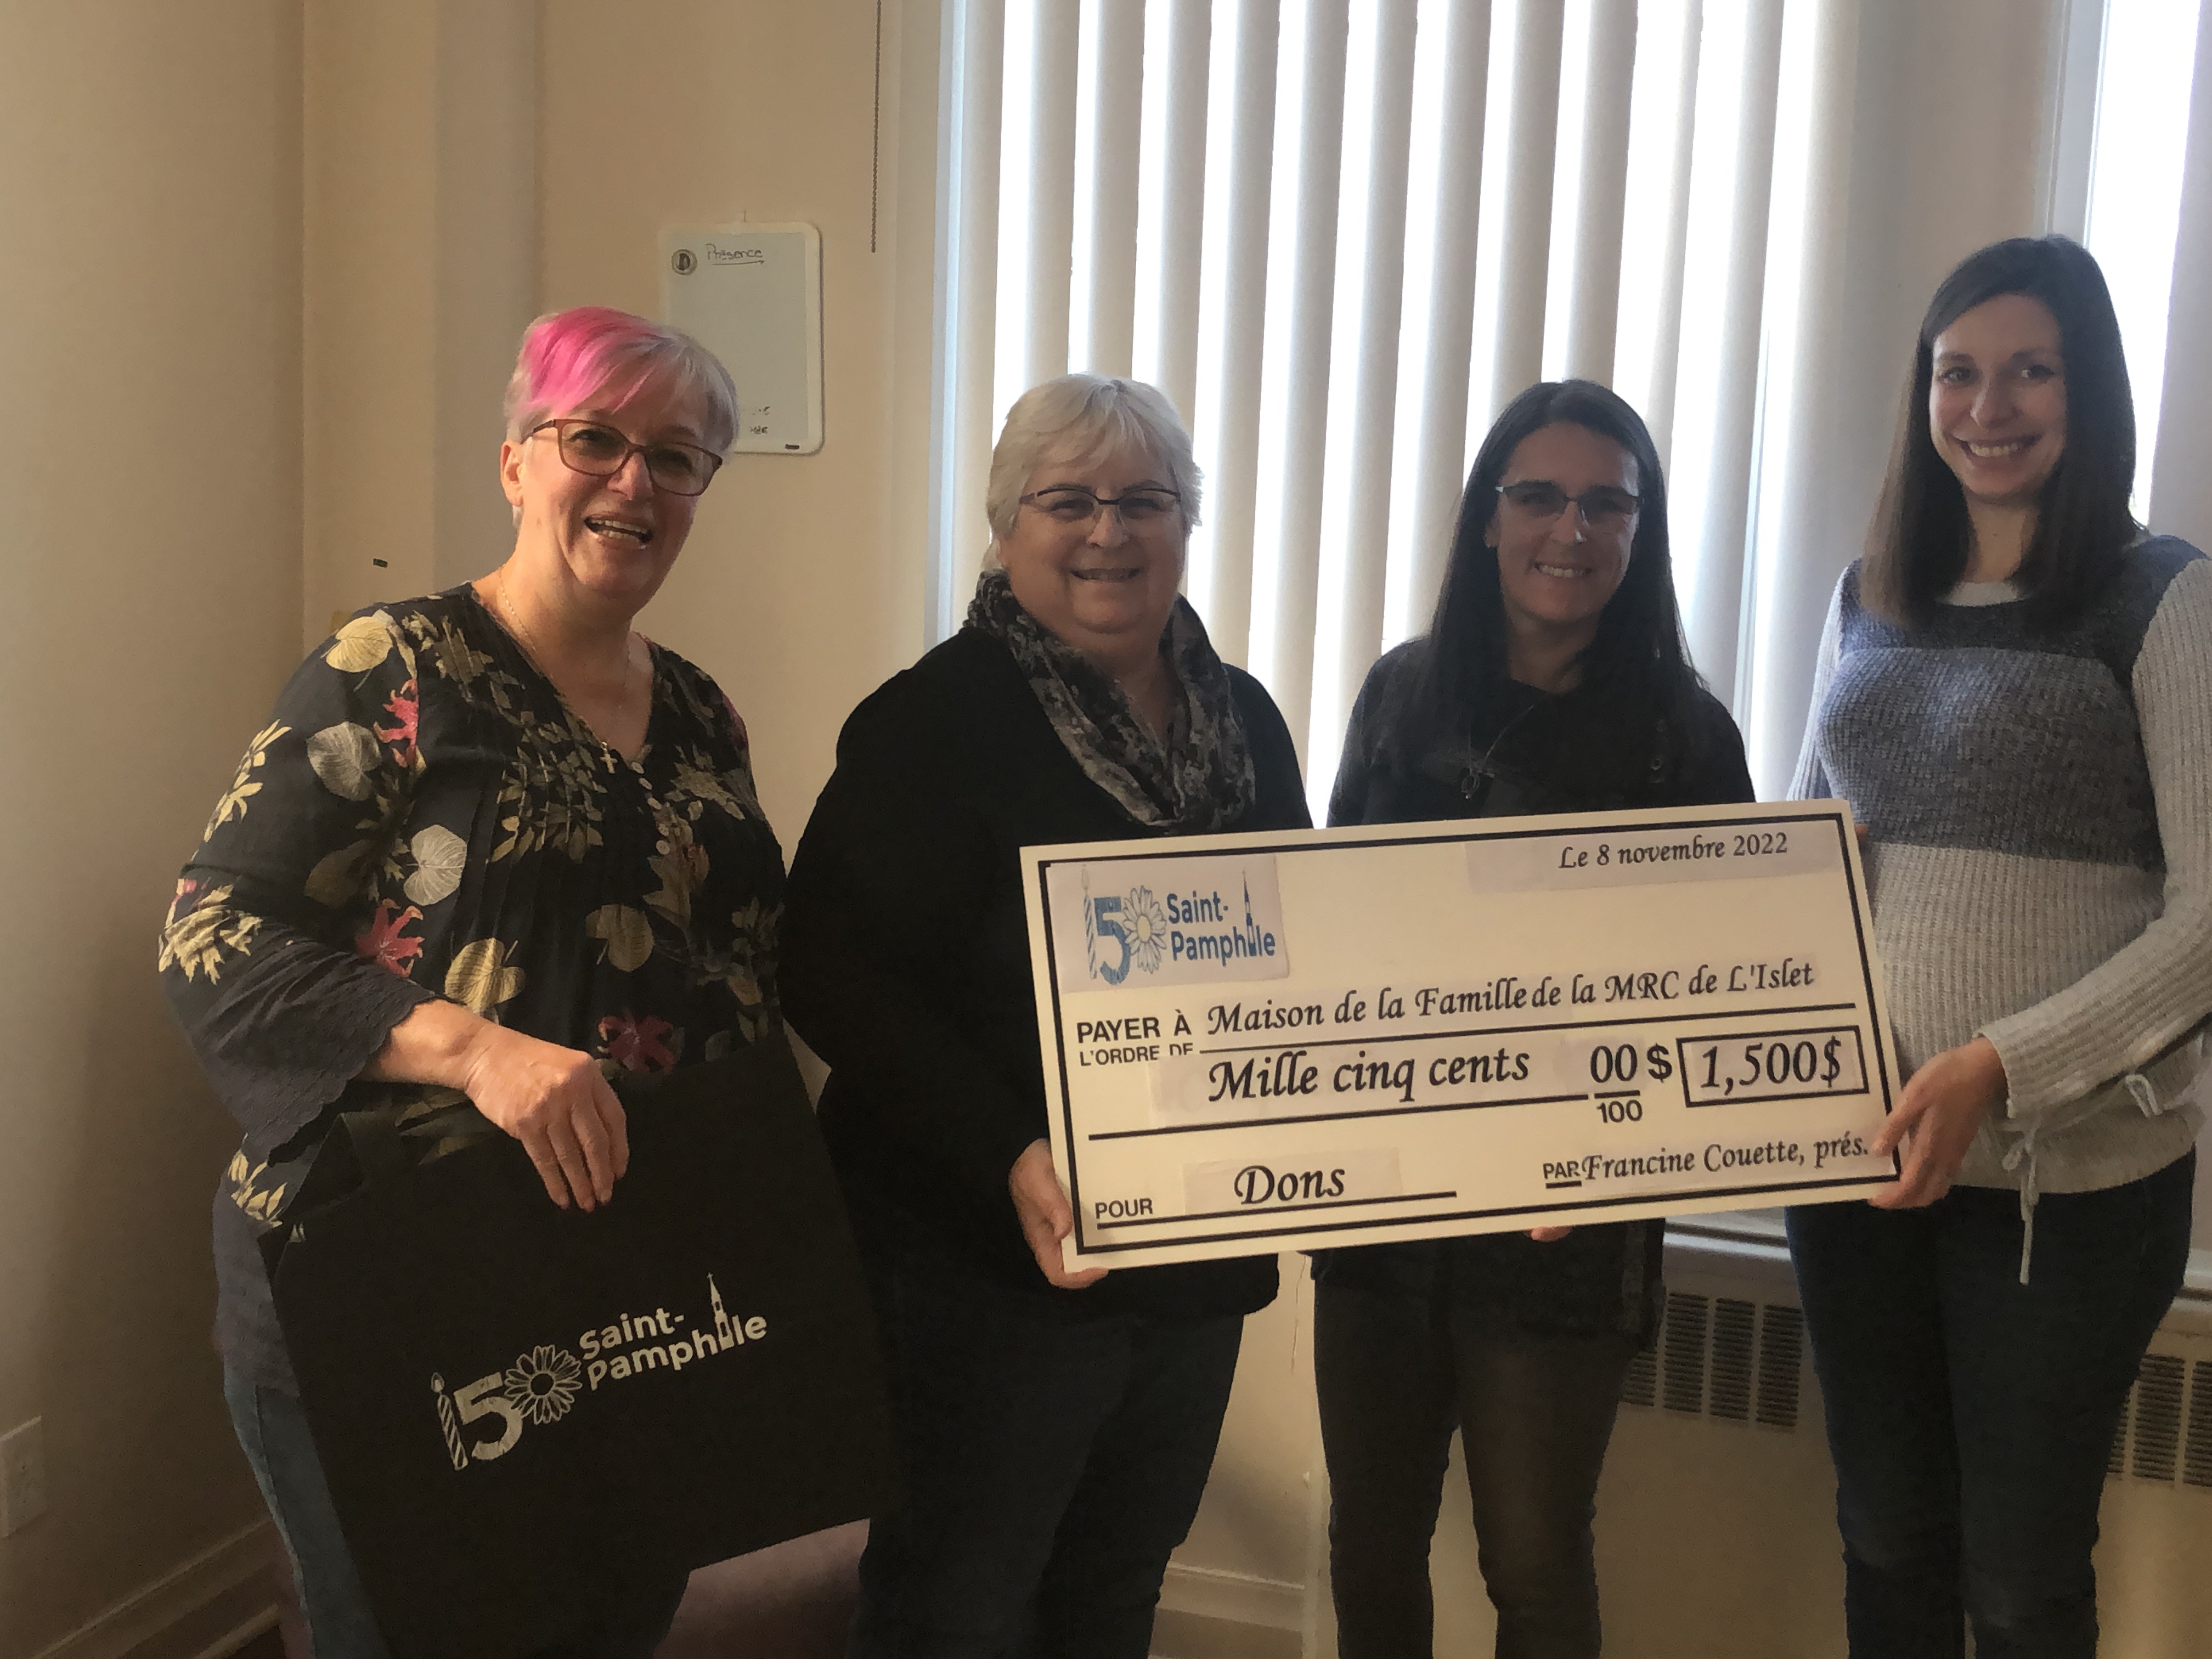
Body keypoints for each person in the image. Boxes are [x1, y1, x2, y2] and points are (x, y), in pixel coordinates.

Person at [160, 306, 784, 1658]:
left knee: (612, 1626)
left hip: (620, 1292)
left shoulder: (701, 715)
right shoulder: (393, 668)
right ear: (516, 463)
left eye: (677, 457)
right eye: (594, 439)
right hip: (390, 1282)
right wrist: (477, 1050)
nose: (634, 482)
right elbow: (213, 939)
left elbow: (733, 973)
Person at [780, 373, 1309, 1658]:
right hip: (981, 1263)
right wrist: (1009, 1148)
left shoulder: (1245, 721)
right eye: (1068, 501)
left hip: (1190, 1260)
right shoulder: (931, 720)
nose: (1109, 532)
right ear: (1006, 524)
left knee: (1113, 1590)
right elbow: (827, 970)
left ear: (1187, 523)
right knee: (956, 1607)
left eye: (1146, 501)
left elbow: (1304, 956)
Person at [1787, 234, 2210, 1657]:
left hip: (2065, 1188)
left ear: (2089, 391)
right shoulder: (1870, 595)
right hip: (1859, 1166)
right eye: (1957, 372)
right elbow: (1802, 854)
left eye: (2032, 371)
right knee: (1885, 1538)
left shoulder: (2163, 598)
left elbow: (2210, 920)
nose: (1988, 406)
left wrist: (2002, 1067)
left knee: (2021, 1582)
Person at [1317, 379, 1753, 1658]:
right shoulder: (1402, 697)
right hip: (1387, 1206)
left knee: (1534, 1560)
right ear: (1489, 518)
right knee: (1371, 1543)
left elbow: (1724, 994)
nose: (1573, 528)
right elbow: (1331, 943)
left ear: (1641, 531)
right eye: (1541, 497)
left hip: (1568, 1224)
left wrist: (1610, 1157)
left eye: (1608, 503)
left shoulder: (1686, 739)